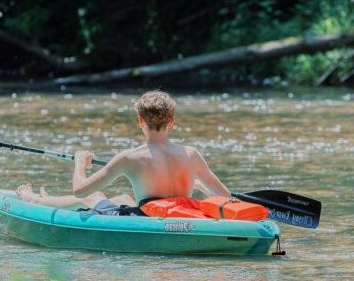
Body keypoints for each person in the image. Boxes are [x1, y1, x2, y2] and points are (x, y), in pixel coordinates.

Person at [16, 90, 230, 216]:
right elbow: (225, 197)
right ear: (172, 122)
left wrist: (80, 164)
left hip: (148, 220)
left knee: (93, 196)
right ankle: (48, 198)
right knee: (122, 198)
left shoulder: (131, 157)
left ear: (140, 121)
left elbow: (80, 190)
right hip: (179, 216)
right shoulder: (191, 154)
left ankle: (36, 200)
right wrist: (198, 185)